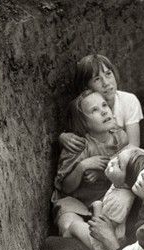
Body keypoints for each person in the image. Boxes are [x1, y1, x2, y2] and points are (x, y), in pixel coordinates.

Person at [52, 90, 128, 238]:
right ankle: (84, 239)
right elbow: (66, 188)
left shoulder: (120, 137)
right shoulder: (79, 146)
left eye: (104, 105)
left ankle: (104, 241)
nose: (104, 112)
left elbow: (127, 165)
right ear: (85, 123)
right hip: (77, 201)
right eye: (95, 110)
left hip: (104, 200)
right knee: (67, 221)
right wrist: (83, 166)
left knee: (122, 207)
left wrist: (103, 171)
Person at [65, 145, 144, 250]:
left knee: (74, 226)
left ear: (127, 183)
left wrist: (98, 206)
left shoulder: (120, 201)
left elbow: (100, 227)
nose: (112, 162)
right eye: (117, 157)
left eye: (119, 165)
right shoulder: (119, 184)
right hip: (102, 234)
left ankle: (64, 246)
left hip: (102, 246)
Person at [62, 54, 143, 148]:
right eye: (97, 79)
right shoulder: (83, 109)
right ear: (86, 87)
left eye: (108, 74)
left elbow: (133, 146)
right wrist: (63, 137)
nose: (106, 83)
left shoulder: (128, 101)